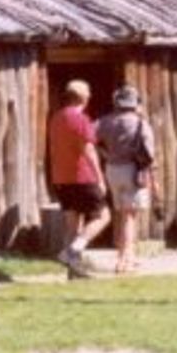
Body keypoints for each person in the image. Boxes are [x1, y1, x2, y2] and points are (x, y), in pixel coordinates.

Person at [47, 79, 110, 278]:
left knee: (73, 224)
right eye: (89, 93)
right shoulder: (80, 119)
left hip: (61, 178)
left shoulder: (56, 118)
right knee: (102, 216)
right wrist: (100, 178)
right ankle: (72, 251)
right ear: (83, 97)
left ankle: (73, 273)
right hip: (82, 176)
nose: (90, 96)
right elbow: (88, 149)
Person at [96, 84, 159, 275]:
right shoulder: (141, 123)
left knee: (121, 214)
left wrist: (105, 154)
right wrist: (154, 178)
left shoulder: (105, 121)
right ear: (135, 103)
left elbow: (89, 140)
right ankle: (126, 260)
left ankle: (123, 255)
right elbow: (149, 153)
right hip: (133, 170)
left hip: (112, 169)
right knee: (130, 216)